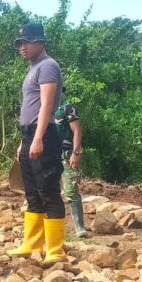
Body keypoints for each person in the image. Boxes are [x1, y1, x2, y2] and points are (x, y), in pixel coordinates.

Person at [5, 23, 67, 266]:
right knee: (31, 190)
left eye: (28, 42)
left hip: (45, 133)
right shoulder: (33, 68)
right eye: (20, 43)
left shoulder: (48, 66)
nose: (23, 47)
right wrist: (25, 140)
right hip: (29, 133)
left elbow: (47, 106)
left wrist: (39, 137)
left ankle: (55, 249)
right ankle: (31, 243)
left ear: (41, 42)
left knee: (48, 189)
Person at [54, 89, 87, 237]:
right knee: (50, 189)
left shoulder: (68, 108)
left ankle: (80, 227)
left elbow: (77, 131)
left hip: (67, 153)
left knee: (71, 189)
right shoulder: (46, 108)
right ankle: (55, 224)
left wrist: (76, 152)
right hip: (50, 153)